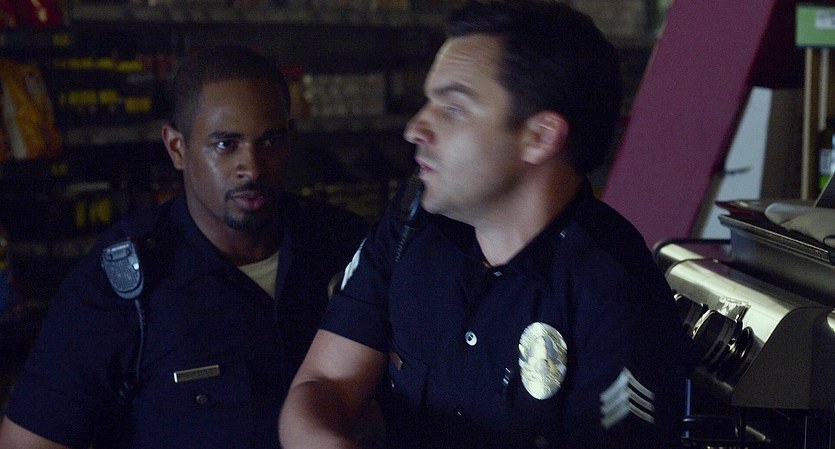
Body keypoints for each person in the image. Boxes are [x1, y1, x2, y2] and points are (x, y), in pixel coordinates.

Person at [278, 1, 696, 448]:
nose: (416, 128)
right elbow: (323, 384)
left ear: (539, 137)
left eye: (453, 108)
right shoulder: (412, 225)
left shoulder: (612, 292)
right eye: (428, 102)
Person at [0, 45, 368, 449]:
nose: (252, 167)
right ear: (177, 148)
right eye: (225, 144)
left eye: (270, 141)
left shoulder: (346, 249)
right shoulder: (122, 285)